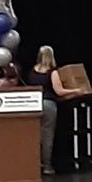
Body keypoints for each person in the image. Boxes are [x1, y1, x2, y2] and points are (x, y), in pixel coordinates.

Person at [30, 45, 61, 175]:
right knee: (47, 135)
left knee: (34, 136)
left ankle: (34, 164)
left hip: (33, 104)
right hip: (48, 104)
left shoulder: (33, 70)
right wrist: (77, 90)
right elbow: (59, 91)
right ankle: (47, 166)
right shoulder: (52, 72)